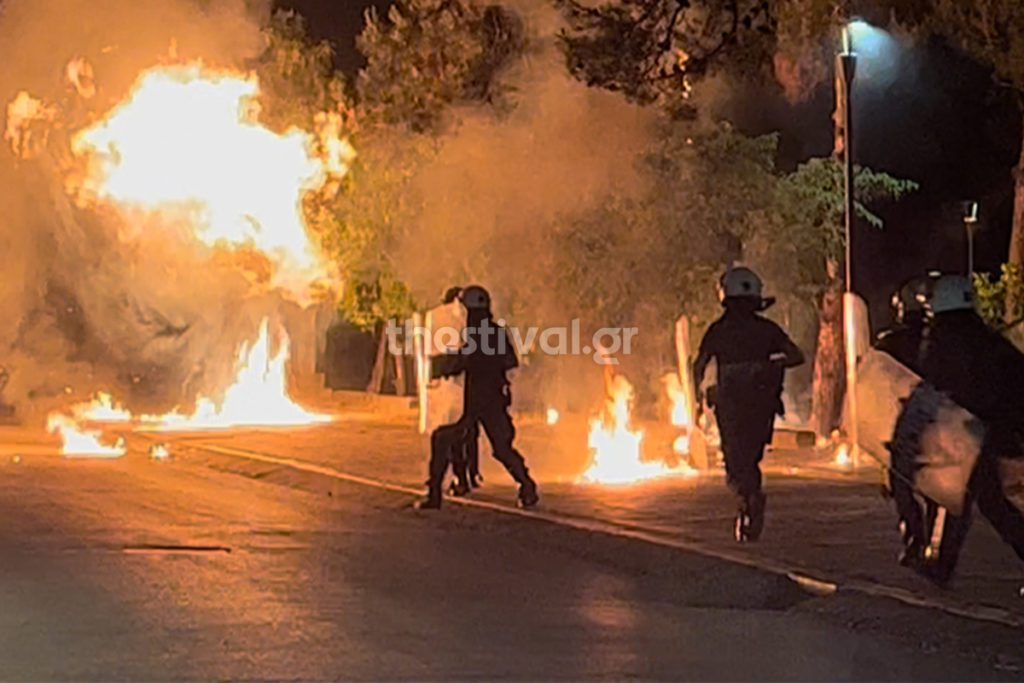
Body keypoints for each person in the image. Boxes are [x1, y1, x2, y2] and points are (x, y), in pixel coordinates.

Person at [905, 274, 1024, 583]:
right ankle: (941, 566)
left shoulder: (943, 340)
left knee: (971, 500)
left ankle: (942, 567)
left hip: (964, 433)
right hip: (990, 431)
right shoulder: (987, 340)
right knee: (973, 500)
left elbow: (934, 385)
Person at [694, 267, 804, 542]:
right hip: (758, 405)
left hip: (733, 406)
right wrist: (767, 365)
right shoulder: (766, 330)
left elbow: (699, 364)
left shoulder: (719, 330)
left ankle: (748, 500)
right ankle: (749, 502)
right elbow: (795, 356)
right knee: (749, 457)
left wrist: (697, 396)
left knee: (736, 459)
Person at [418, 285, 539, 509]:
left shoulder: (471, 334)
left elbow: (462, 362)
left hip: (471, 399)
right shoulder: (494, 331)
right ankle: (527, 485)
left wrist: (446, 365)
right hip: (491, 398)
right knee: (502, 448)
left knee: (443, 439)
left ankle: (435, 494)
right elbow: (510, 361)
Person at [875, 274, 938, 567]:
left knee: (901, 481)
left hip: (908, 422)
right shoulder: (941, 340)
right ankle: (929, 539)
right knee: (937, 485)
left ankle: (915, 535)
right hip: (940, 421)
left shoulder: (891, 342)